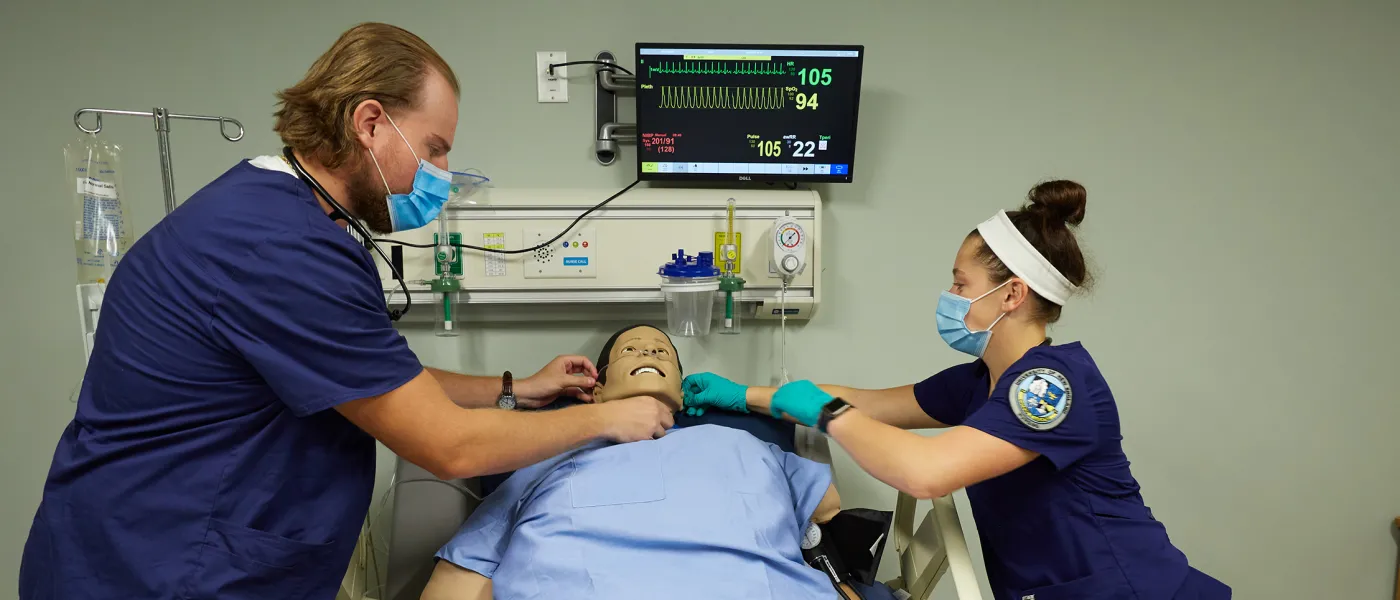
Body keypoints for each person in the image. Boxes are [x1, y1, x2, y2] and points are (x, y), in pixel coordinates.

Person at [19, 23, 671, 600]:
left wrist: (514, 389)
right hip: (159, 566)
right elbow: (449, 447)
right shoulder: (278, 246)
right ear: (368, 123)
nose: (442, 171)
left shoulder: (278, 217)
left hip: (162, 544)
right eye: (435, 147)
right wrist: (609, 419)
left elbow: (368, 374)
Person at [683, 181, 1231, 600]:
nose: (949, 295)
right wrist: (745, 394)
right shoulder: (979, 382)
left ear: (1011, 294)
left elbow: (924, 472)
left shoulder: (1052, 386)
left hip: (1125, 588)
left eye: (961, 283)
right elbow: (872, 403)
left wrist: (825, 412)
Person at [420, 324, 891, 600]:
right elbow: (463, 574)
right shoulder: (546, 448)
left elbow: (829, 532)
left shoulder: (744, 445)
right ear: (596, 388)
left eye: (661, 352)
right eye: (630, 351)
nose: (647, 352)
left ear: (683, 387)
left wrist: (756, 399)